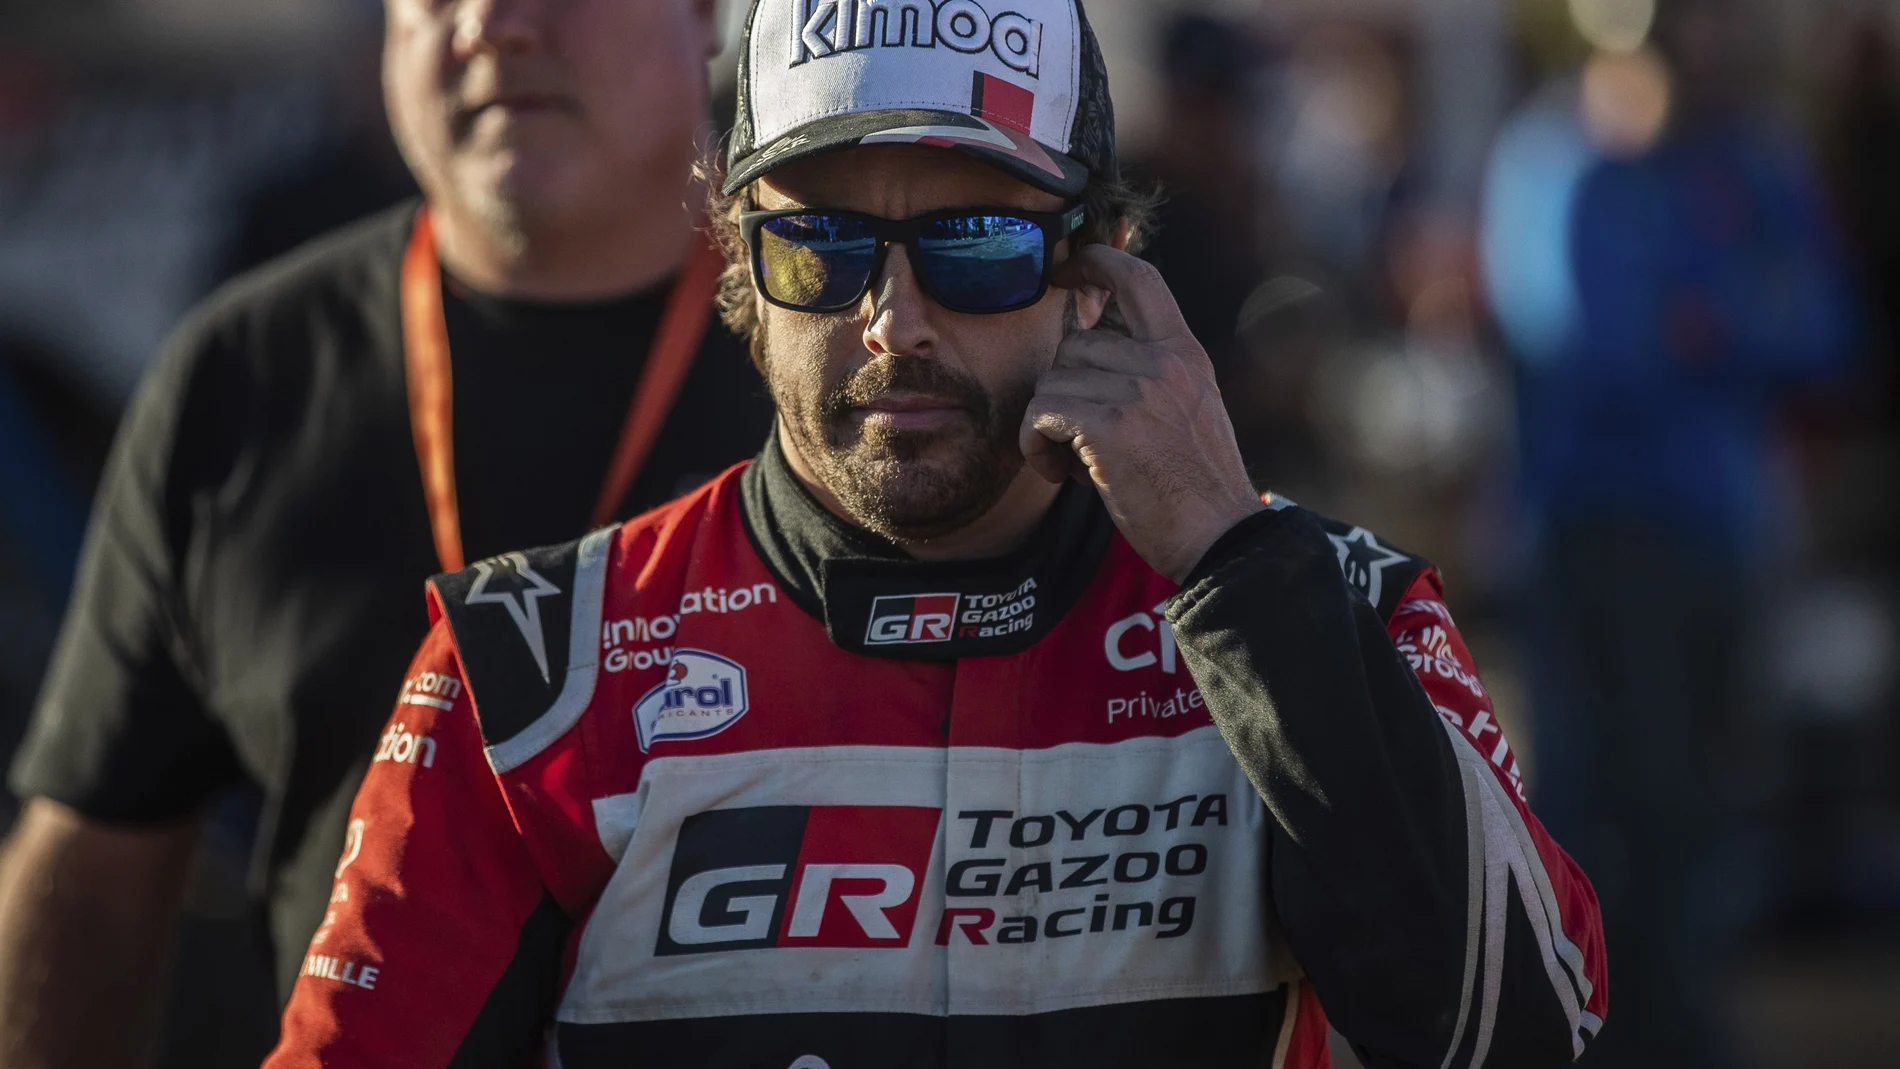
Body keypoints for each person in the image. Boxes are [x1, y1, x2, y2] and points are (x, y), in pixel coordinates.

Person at [267, 1, 1605, 1065]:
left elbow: (1519, 1025)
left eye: (973, 247)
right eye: (823, 252)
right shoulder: (536, 674)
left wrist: (1229, 564)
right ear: (738, 269)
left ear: (1103, 274)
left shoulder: (1335, 613)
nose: (896, 324)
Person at [0, 0, 774, 1065]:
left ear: (705, 16)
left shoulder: (847, 361)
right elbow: (92, 875)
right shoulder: (243, 377)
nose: (496, 26)